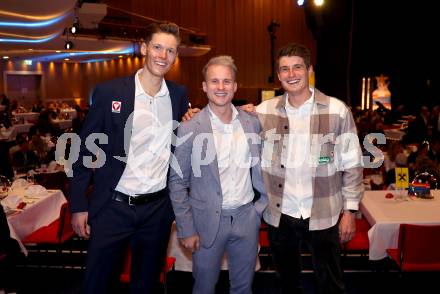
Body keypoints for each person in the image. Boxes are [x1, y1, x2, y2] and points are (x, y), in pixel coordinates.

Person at [68, 22, 188, 294]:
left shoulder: (179, 95)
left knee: (145, 286)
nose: (162, 55)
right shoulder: (110, 92)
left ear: (175, 56)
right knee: (98, 284)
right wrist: (78, 204)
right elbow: (85, 150)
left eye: (170, 51)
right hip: (113, 207)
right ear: (144, 48)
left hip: (156, 211)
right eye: (157, 47)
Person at [255, 42, 364, 294]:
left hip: (324, 211)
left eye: (297, 67)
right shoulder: (263, 111)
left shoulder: (337, 110)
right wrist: (192, 115)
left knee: (330, 283)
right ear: (278, 74)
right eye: (284, 69)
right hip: (280, 212)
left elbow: (353, 163)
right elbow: (228, 118)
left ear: (309, 69)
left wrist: (350, 211)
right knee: (286, 283)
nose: (291, 74)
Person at [168, 56, 268, 294]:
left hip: (247, 217)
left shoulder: (252, 122)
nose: (221, 87)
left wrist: (258, 210)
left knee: (243, 288)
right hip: (205, 223)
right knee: (203, 287)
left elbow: (264, 166)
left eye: (227, 81)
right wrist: (186, 228)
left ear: (235, 86)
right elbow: (177, 182)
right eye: (215, 81)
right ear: (204, 86)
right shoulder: (189, 127)